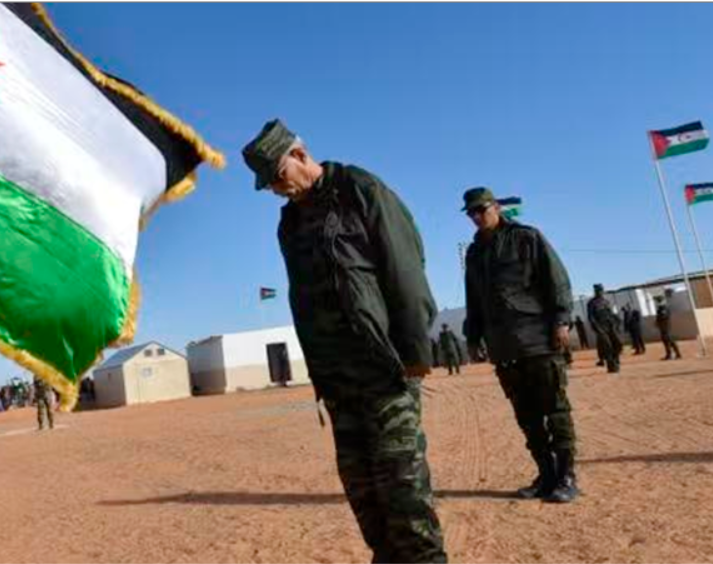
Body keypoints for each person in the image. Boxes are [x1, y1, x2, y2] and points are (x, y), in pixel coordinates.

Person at [243, 119, 446, 562]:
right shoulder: (290, 222)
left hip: (383, 370)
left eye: (278, 177)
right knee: (364, 493)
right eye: (269, 185)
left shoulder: (360, 189)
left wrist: (414, 351)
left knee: (404, 494)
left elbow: (405, 269)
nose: (278, 189)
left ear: (299, 155)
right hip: (337, 380)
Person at [462, 187, 579, 503]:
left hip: (538, 339)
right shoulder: (474, 253)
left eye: (481, 209)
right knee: (526, 416)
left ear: (496, 207)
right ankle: (546, 474)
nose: (476, 216)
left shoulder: (526, 237)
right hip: (503, 347)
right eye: (471, 212)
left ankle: (567, 476)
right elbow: (474, 300)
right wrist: (473, 337)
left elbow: (556, 279)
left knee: (554, 410)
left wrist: (561, 320)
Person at [587, 284, 623, 373]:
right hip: (600, 327)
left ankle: (615, 359)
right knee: (607, 346)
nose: (600, 292)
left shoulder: (606, 302)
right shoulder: (591, 303)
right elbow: (591, 317)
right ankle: (612, 366)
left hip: (610, 326)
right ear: (595, 291)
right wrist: (596, 328)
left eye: (601, 290)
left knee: (618, 344)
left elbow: (611, 313)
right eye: (598, 290)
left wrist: (617, 321)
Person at [655, 295, 682, 360]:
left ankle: (674, 354)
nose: (657, 302)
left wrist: (659, 322)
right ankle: (672, 354)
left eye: (658, 300)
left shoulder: (663, 308)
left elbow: (663, 316)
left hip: (665, 326)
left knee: (669, 340)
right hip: (663, 326)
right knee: (667, 340)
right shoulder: (660, 308)